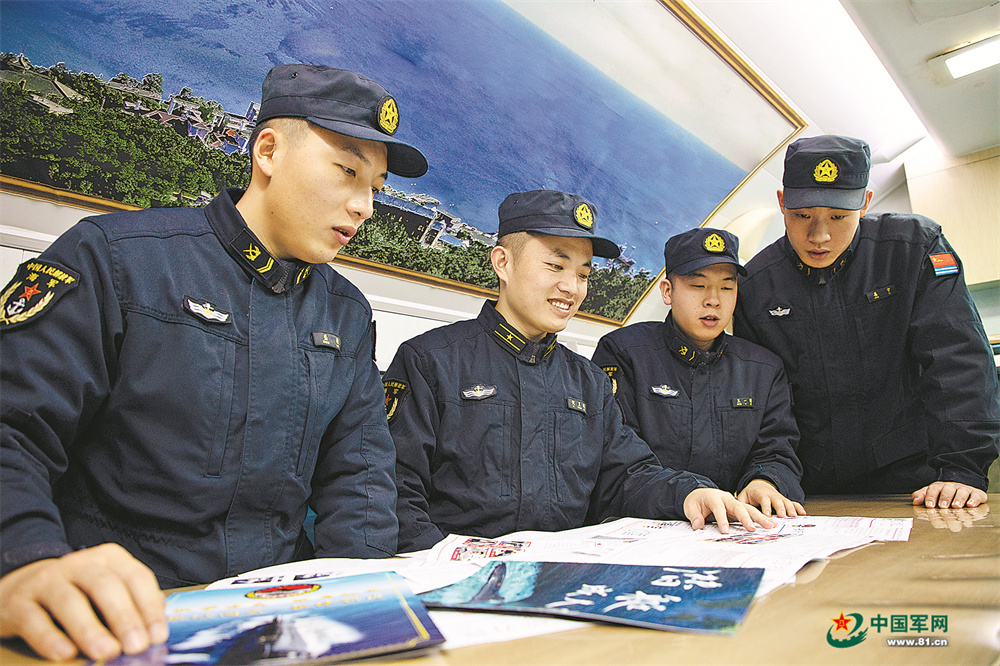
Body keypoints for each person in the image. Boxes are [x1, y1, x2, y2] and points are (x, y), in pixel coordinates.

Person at [0, 64, 427, 661]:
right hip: (125, 617)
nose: (364, 206)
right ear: (268, 152)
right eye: (347, 171)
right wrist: (24, 557)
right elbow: (13, 428)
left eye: (376, 188)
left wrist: (361, 605)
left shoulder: (345, 312)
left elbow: (359, 474)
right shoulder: (116, 259)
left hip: (281, 616)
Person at [383, 190, 775, 553]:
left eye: (584, 274)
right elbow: (394, 489)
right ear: (503, 263)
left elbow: (625, 477)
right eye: (556, 266)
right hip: (456, 577)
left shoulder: (588, 381)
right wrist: (445, 568)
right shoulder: (430, 361)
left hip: (562, 571)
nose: (572, 288)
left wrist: (689, 493)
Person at [733, 134, 999, 509]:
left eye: (838, 217)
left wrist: (962, 468)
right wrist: (765, 475)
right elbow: (763, 402)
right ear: (781, 202)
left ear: (865, 203)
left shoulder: (914, 248)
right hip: (808, 488)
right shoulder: (755, 286)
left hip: (917, 481)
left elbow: (956, 361)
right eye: (802, 215)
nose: (819, 236)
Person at [592, 227, 806, 518]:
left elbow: (777, 451)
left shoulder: (763, 369)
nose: (713, 300)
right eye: (698, 285)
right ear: (667, 291)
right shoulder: (624, 354)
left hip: (736, 528)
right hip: (651, 525)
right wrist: (686, 493)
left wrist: (766, 481)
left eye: (726, 287)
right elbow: (616, 464)